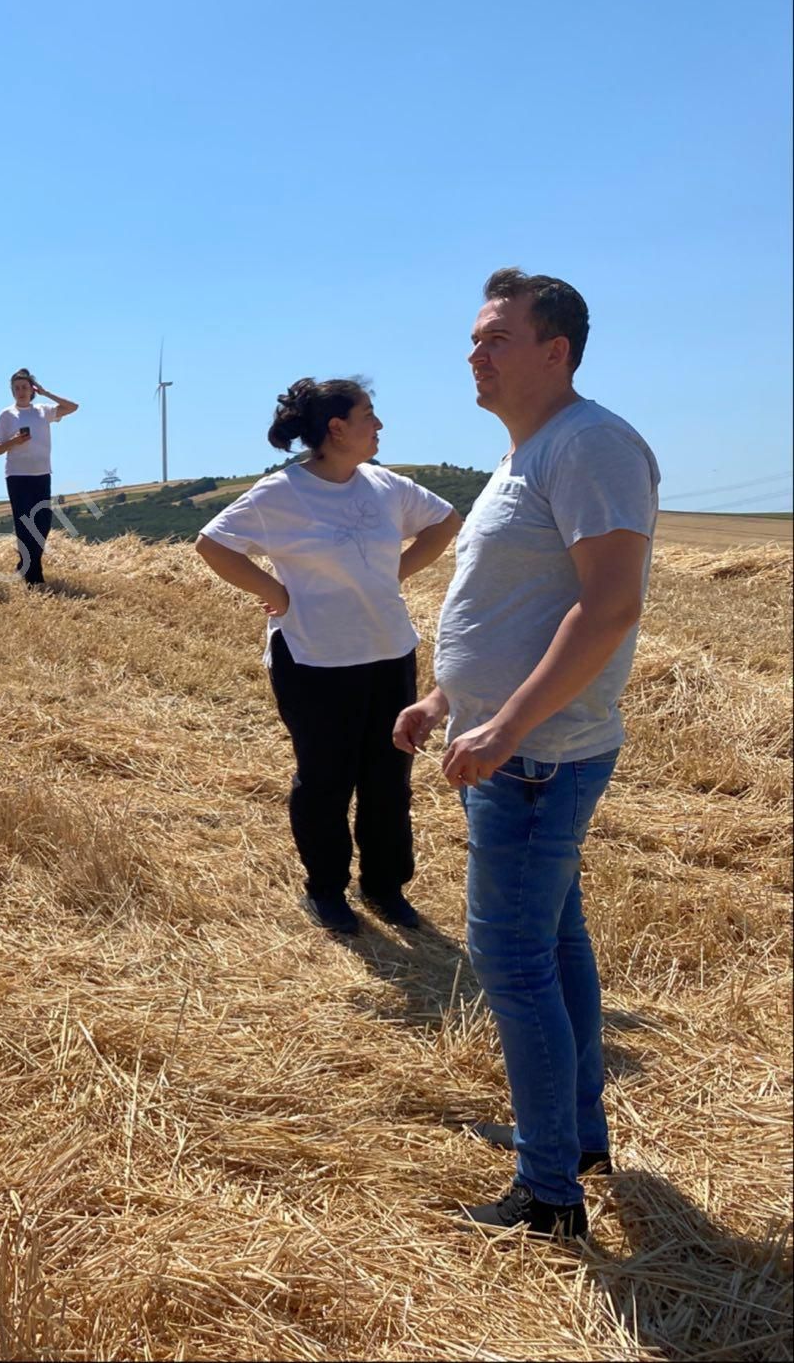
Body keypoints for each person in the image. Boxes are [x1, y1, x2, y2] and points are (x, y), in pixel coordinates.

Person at [394, 269, 658, 1240]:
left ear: (556, 351)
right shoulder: (521, 458)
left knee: (511, 958)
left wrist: (503, 727)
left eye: (495, 337)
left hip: (536, 759)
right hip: (510, 749)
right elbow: (508, 610)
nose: (474, 352)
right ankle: (576, 1137)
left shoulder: (589, 444)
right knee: (553, 942)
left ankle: (548, 1195)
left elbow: (609, 605)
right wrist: (442, 698)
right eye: (473, 338)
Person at [195, 379, 461, 936]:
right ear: (336, 428)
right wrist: (279, 593)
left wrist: (397, 573)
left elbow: (445, 522)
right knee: (325, 780)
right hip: (313, 658)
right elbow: (213, 544)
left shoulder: (385, 486)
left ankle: (385, 887)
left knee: (389, 778)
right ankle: (325, 889)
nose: (379, 425)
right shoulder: (280, 494)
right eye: (369, 415)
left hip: (389, 652)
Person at [0, 369, 79, 586]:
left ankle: (25, 564)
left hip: (41, 475)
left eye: (25, 387)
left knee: (42, 523)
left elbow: (72, 407)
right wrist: (13, 442)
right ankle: (33, 576)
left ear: (32, 390)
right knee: (24, 524)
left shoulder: (43, 411)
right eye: (17, 388)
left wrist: (47, 393)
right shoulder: (6, 415)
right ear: (12, 391)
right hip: (17, 476)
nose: (20, 392)